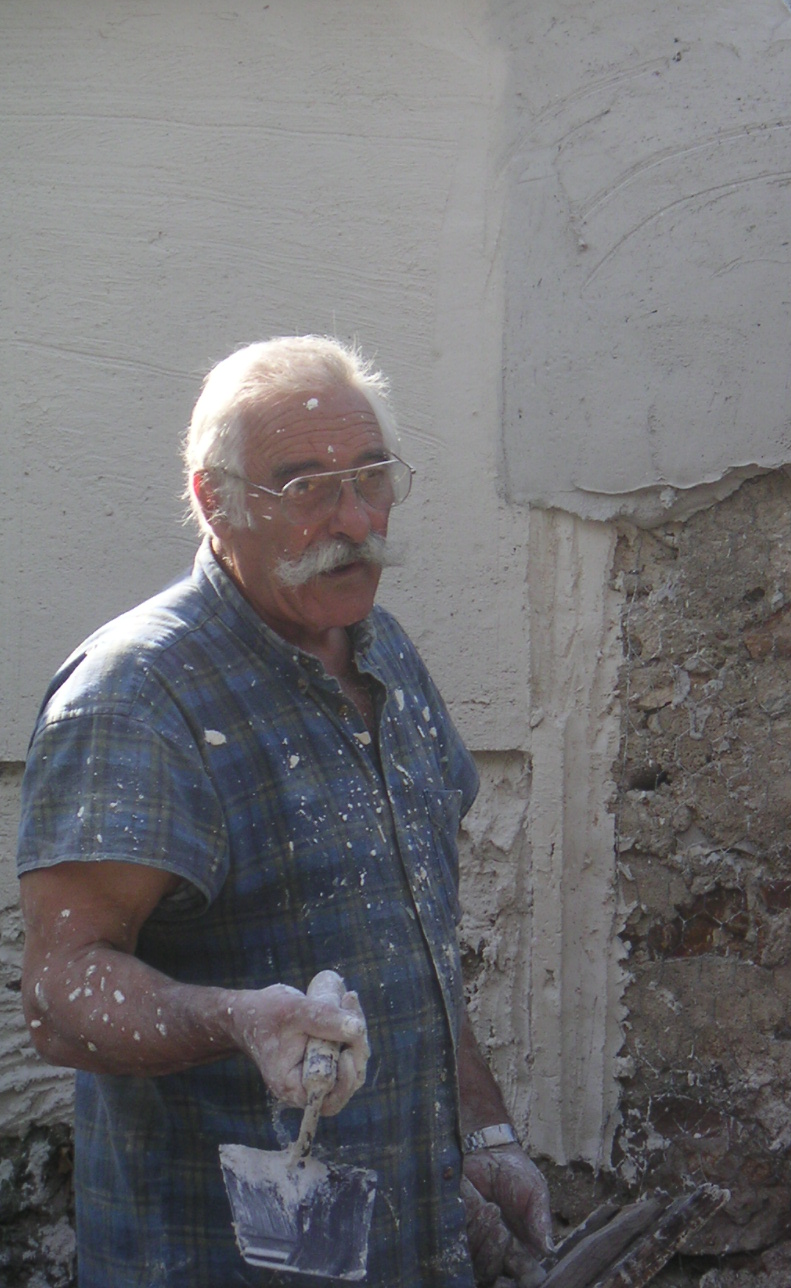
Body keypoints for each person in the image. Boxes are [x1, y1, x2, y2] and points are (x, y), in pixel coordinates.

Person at [18, 335, 553, 1287]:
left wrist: (485, 1135)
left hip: (405, 1247)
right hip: (215, 1257)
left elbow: (416, 942)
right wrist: (235, 1020)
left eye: (371, 477)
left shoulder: (384, 651)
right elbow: (60, 997)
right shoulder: (138, 695)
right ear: (213, 500)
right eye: (304, 487)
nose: (353, 519)